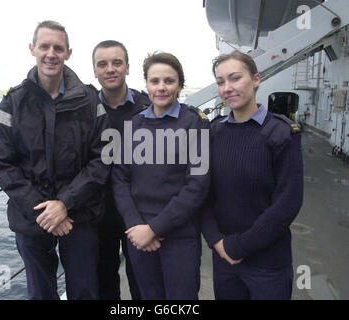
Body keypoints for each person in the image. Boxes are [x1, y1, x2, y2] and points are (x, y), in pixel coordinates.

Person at [0, 20, 110, 300]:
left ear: (69, 53)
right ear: (32, 49)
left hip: (78, 217)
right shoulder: (12, 103)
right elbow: (2, 163)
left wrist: (65, 204)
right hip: (32, 218)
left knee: (84, 291)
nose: (51, 53)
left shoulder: (91, 101)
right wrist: (46, 212)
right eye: (44, 46)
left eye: (58, 47)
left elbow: (102, 159)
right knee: (40, 293)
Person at [201, 50, 303, 300]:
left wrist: (239, 246)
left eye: (235, 78)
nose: (227, 88)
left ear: (256, 79)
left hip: (267, 264)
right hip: (224, 258)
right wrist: (216, 241)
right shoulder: (214, 132)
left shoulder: (281, 134)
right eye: (220, 82)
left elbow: (287, 203)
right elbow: (201, 192)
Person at [112, 52, 210, 299]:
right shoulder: (133, 125)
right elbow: (120, 179)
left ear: (179, 84)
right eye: (155, 81)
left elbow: (197, 185)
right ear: (146, 84)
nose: (162, 87)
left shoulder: (194, 123)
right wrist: (135, 224)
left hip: (179, 235)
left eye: (169, 81)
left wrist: (155, 228)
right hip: (140, 234)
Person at [92, 40, 150, 300]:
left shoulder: (148, 107)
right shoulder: (84, 109)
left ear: (127, 67)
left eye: (117, 62)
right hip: (99, 212)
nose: (110, 69)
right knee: (104, 280)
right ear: (94, 71)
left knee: (142, 279)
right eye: (102, 64)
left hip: (140, 212)